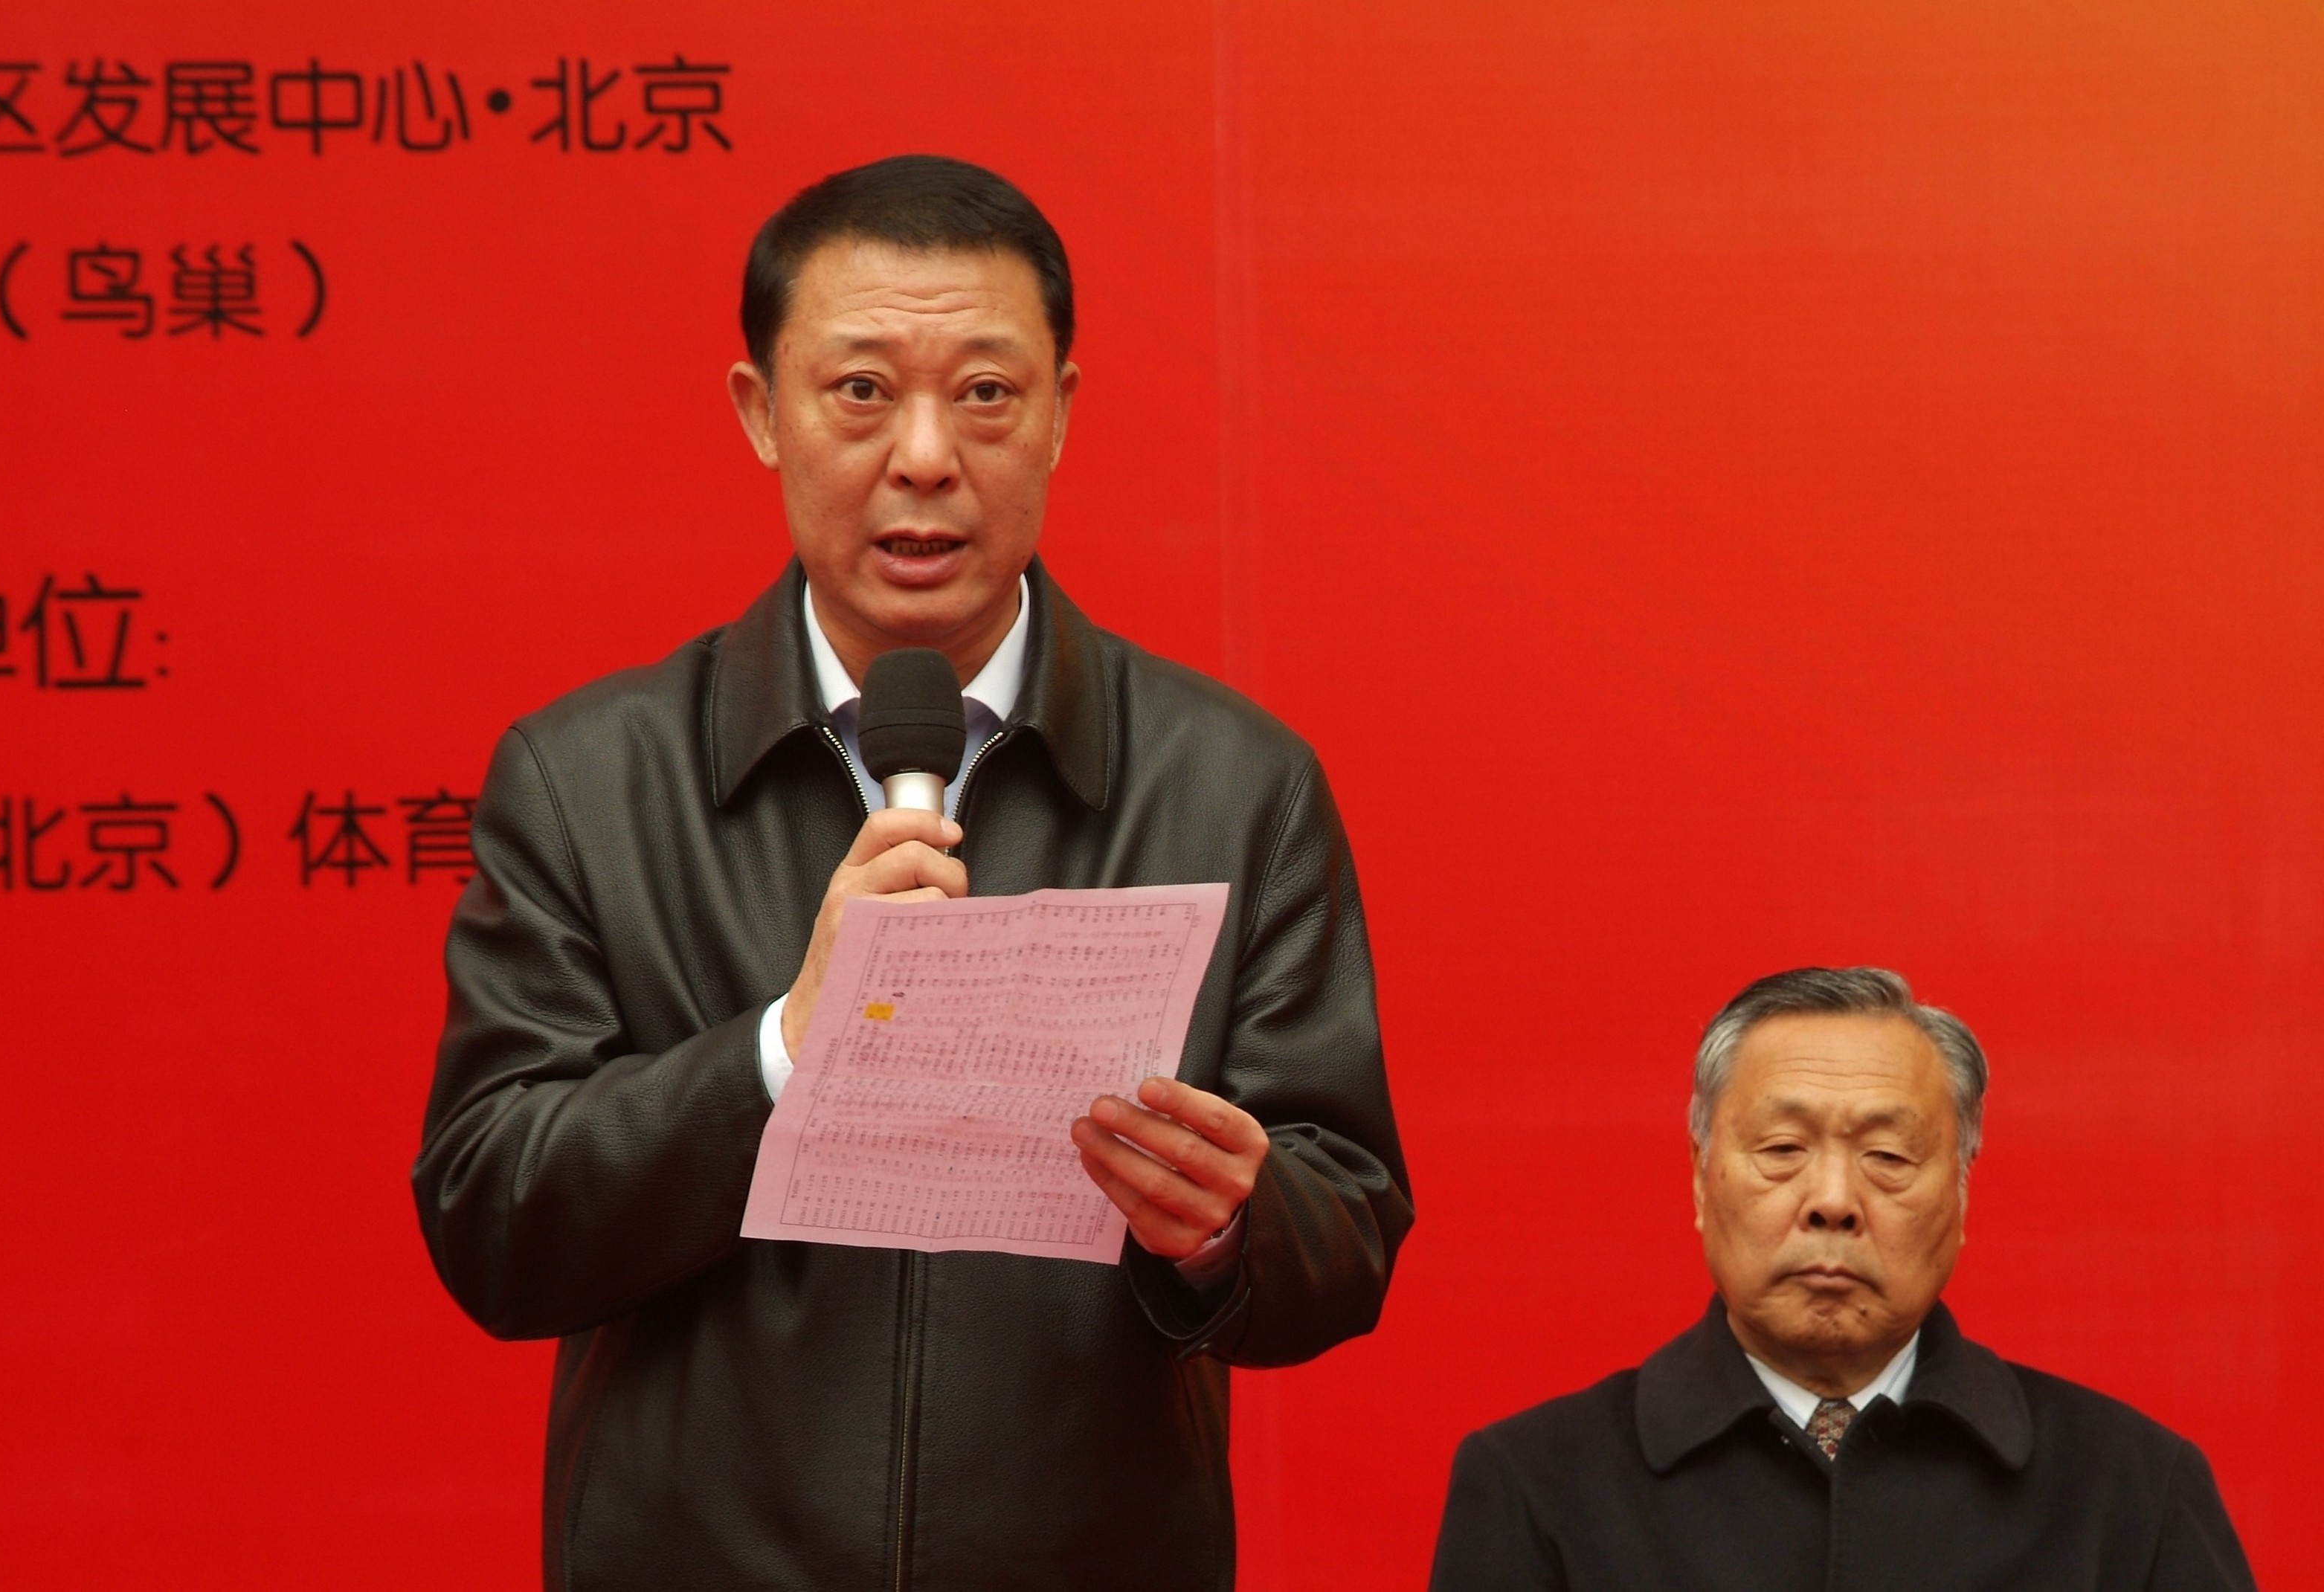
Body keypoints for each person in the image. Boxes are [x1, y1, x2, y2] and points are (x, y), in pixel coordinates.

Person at [411, 154, 1410, 1592]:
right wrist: (780, 1047)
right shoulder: (587, 778)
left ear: (1063, 410)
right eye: (863, 391)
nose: (927, 456)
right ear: (763, 412)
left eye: (987, 392)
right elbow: (492, 1222)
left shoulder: (1234, 783)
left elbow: (1351, 1224)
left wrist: (1228, 1232)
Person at [1428, 967, 2253, 1592]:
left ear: (1962, 1192)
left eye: (1887, 1155)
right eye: (1782, 1149)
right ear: (1701, 1179)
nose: (1832, 1200)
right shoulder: (1535, 1485)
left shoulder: (2131, 1488)